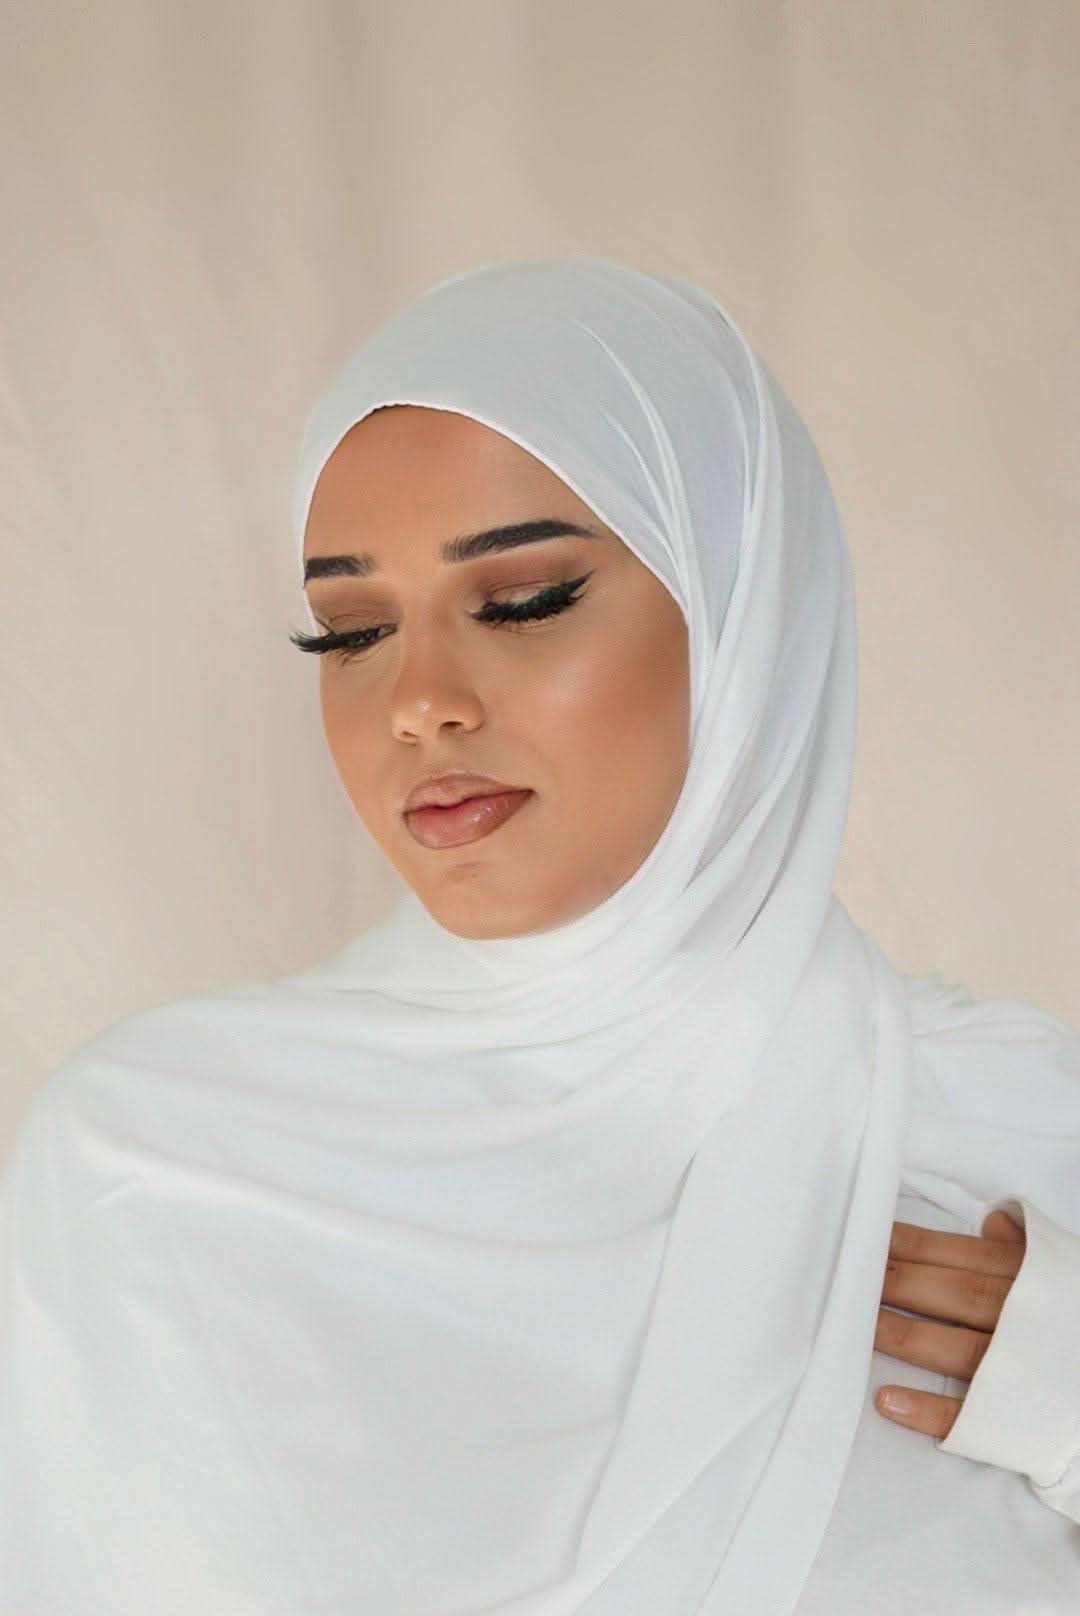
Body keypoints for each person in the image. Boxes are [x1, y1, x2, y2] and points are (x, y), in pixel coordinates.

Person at [0, 255, 1076, 1614]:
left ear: (741, 610)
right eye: (348, 633)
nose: (419, 700)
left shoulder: (1011, 1134)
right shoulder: (156, 1161)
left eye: (522, 603)